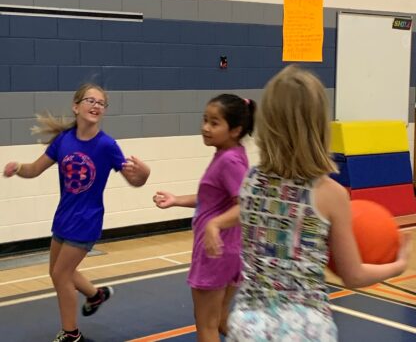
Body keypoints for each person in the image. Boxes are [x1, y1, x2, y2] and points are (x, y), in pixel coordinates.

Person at [205, 65, 412, 341]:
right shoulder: (330, 194)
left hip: (248, 327)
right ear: (318, 125)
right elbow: (353, 276)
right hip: (305, 330)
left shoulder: (252, 181)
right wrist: (399, 265)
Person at [3, 83, 151, 342]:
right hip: (63, 216)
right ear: (76, 106)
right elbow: (35, 169)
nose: (96, 105)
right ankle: (95, 295)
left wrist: (144, 174)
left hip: (86, 220)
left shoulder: (107, 145)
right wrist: (17, 167)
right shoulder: (64, 141)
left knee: (61, 274)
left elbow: (135, 181)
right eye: (90, 100)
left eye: (101, 103)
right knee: (58, 272)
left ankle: (71, 334)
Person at [153, 94, 256, 342]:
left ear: (235, 130)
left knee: (206, 325)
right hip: (229, 249)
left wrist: (214, 225)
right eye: (205, 120)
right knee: (219, 319)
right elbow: (212, 199)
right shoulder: (231, 154)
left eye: (214, 123)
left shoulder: (229, 161)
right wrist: (177, 200)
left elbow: (245, 207)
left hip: (216, 251)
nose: (205, 128)